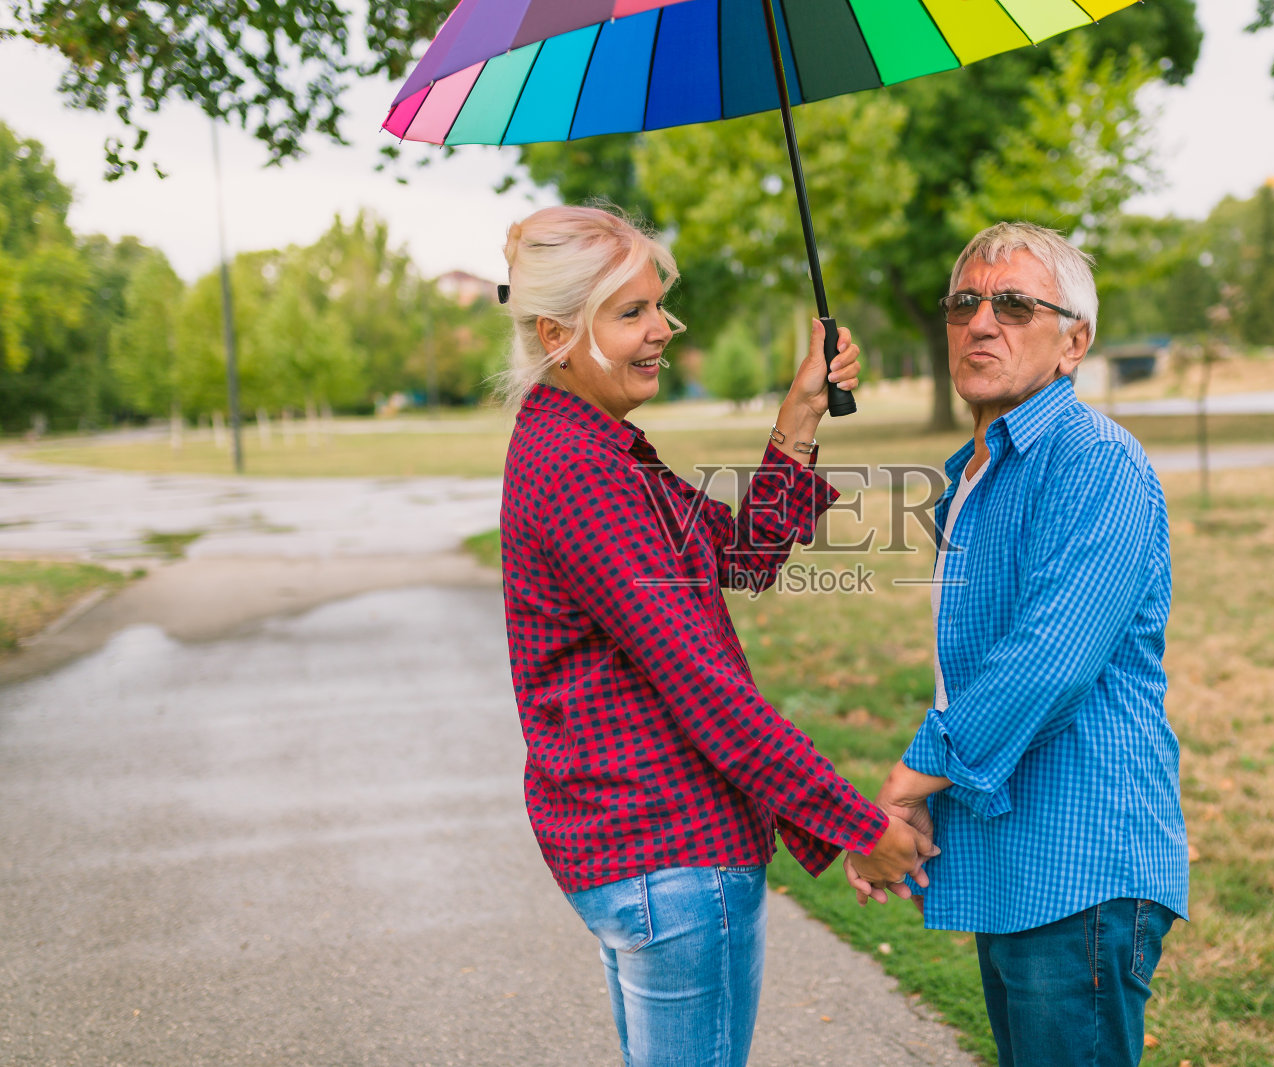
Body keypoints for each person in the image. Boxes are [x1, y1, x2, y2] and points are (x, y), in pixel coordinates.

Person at [495, 205, 930, 1067]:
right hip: (668, 852)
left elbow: (742, 555)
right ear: (556, 332)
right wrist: (857, 827)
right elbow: (710, 695)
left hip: (638, 853)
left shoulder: (592, 446)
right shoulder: (584, 475)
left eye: (658, 304)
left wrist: (799, 413)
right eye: (630, 313)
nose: (662, 329)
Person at [844, 222, 1189, 1067]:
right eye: (965, 303)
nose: (982, 323)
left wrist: (910, 777)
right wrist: (929, 795)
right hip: (1015, 859)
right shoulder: (975, 471)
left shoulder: (1097, 461)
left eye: (1014, 304)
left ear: (1075, 341)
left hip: (1083, 862)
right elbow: (968, 665)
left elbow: (1050, 658)